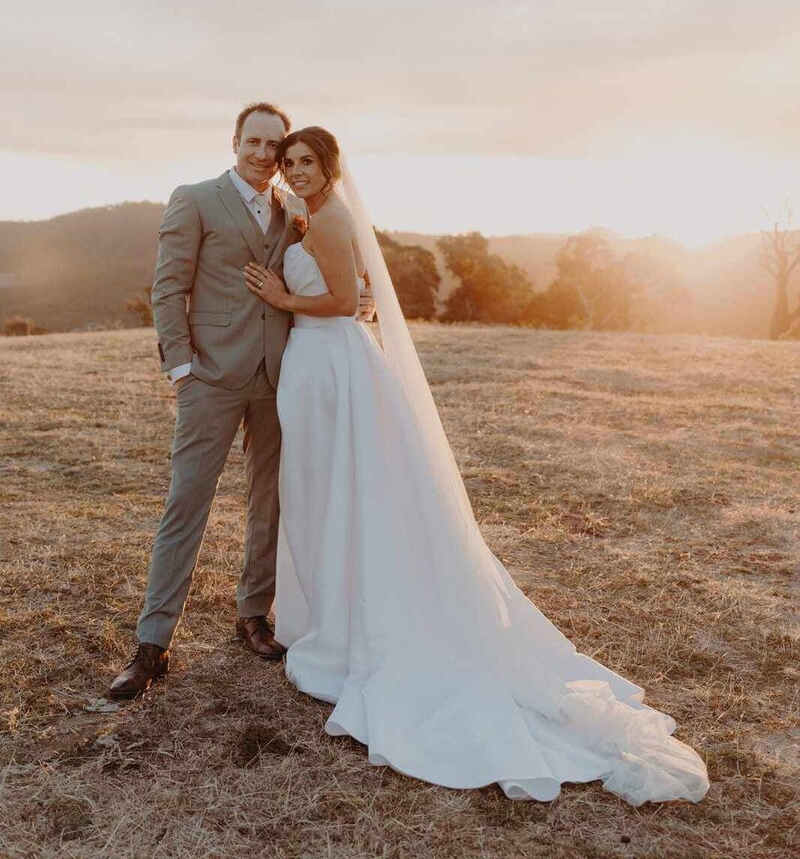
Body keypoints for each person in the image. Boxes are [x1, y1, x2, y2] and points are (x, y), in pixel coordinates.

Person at [244, 126, 710, 806]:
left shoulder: (334, 221)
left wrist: (284, 300)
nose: (297, 172)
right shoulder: (315, 218)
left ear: (330, 165)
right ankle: (328, 611)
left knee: (338, 493)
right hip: (316, 370)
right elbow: (355, 297)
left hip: (331, 364)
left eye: (307, 161)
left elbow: (345, 303)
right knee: (323, 492)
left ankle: (346, 624)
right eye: (289, 164)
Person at [108, 103, 372, 698]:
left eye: (274, 147)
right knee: (186, 504)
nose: (263, 155)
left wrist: (362, 301)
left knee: (271, 502)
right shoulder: (195, 198)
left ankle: (253, 615)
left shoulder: (293, 209)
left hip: (280, 378)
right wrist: (181, 366)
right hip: (210, 377)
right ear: (234, 142)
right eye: (253, 142)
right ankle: (152, 645)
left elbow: (337, 271)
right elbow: (168, 285)